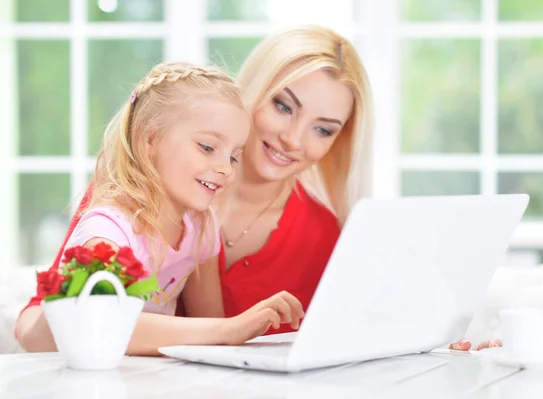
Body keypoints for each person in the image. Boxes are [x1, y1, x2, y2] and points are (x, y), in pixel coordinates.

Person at [18, 25, 498, 352]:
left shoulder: (317, 233)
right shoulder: (131, 190)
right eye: (284, 107)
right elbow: (49, 323)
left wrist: (436, 345)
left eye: (323, 129)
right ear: (248, 94)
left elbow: (335, 342)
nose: (293, 139)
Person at [15, 62, 303, 356]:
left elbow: (209, 324)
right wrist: (230, 329)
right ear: (150, 139)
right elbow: (101, 329)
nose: (225, 169)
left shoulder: (200, 226)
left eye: (233, 157)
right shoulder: (109, 230)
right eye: (207, 147)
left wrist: (230, 333)